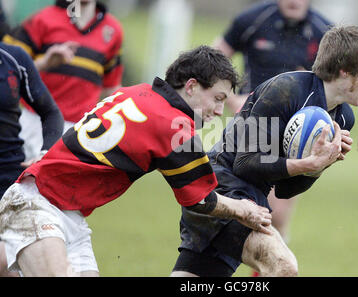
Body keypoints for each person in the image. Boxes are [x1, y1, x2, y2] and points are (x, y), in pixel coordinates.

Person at [0, 45, 272, 277]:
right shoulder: (173, 124)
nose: (218, 111)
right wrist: (244, 209)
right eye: (217, 98)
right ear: (191, 86)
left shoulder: (138, 91)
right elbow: (202, 199)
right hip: (37, 204)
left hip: (67, 212)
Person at [171, 25, 358, 277]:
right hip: (223, 190)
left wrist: (321, 164)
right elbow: (246, 163)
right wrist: (309, 164)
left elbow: (285, 189)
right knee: (283, 267)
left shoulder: (342, 117)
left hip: (252, 199)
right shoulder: (286, 91)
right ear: (346, 70)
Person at [213, 0, 332, 262]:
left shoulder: (325, 31)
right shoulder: (252, 20)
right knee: (241, 202)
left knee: (276, 213)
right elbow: (213, 62)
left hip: (296, 131)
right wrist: (233, 99)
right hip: (253, 123)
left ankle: (270, 266)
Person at [2, 0, 123, 163]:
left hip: (80, 130)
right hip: (35, 123)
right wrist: (45, 63)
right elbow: (8, 68)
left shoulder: (113, 30)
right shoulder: (41, 20)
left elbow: (111, 88)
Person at [0, 41, 64, 277]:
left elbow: (51, 112)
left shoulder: (13, 58)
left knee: (15, 264)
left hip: (10, 184)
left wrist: (45, 152)